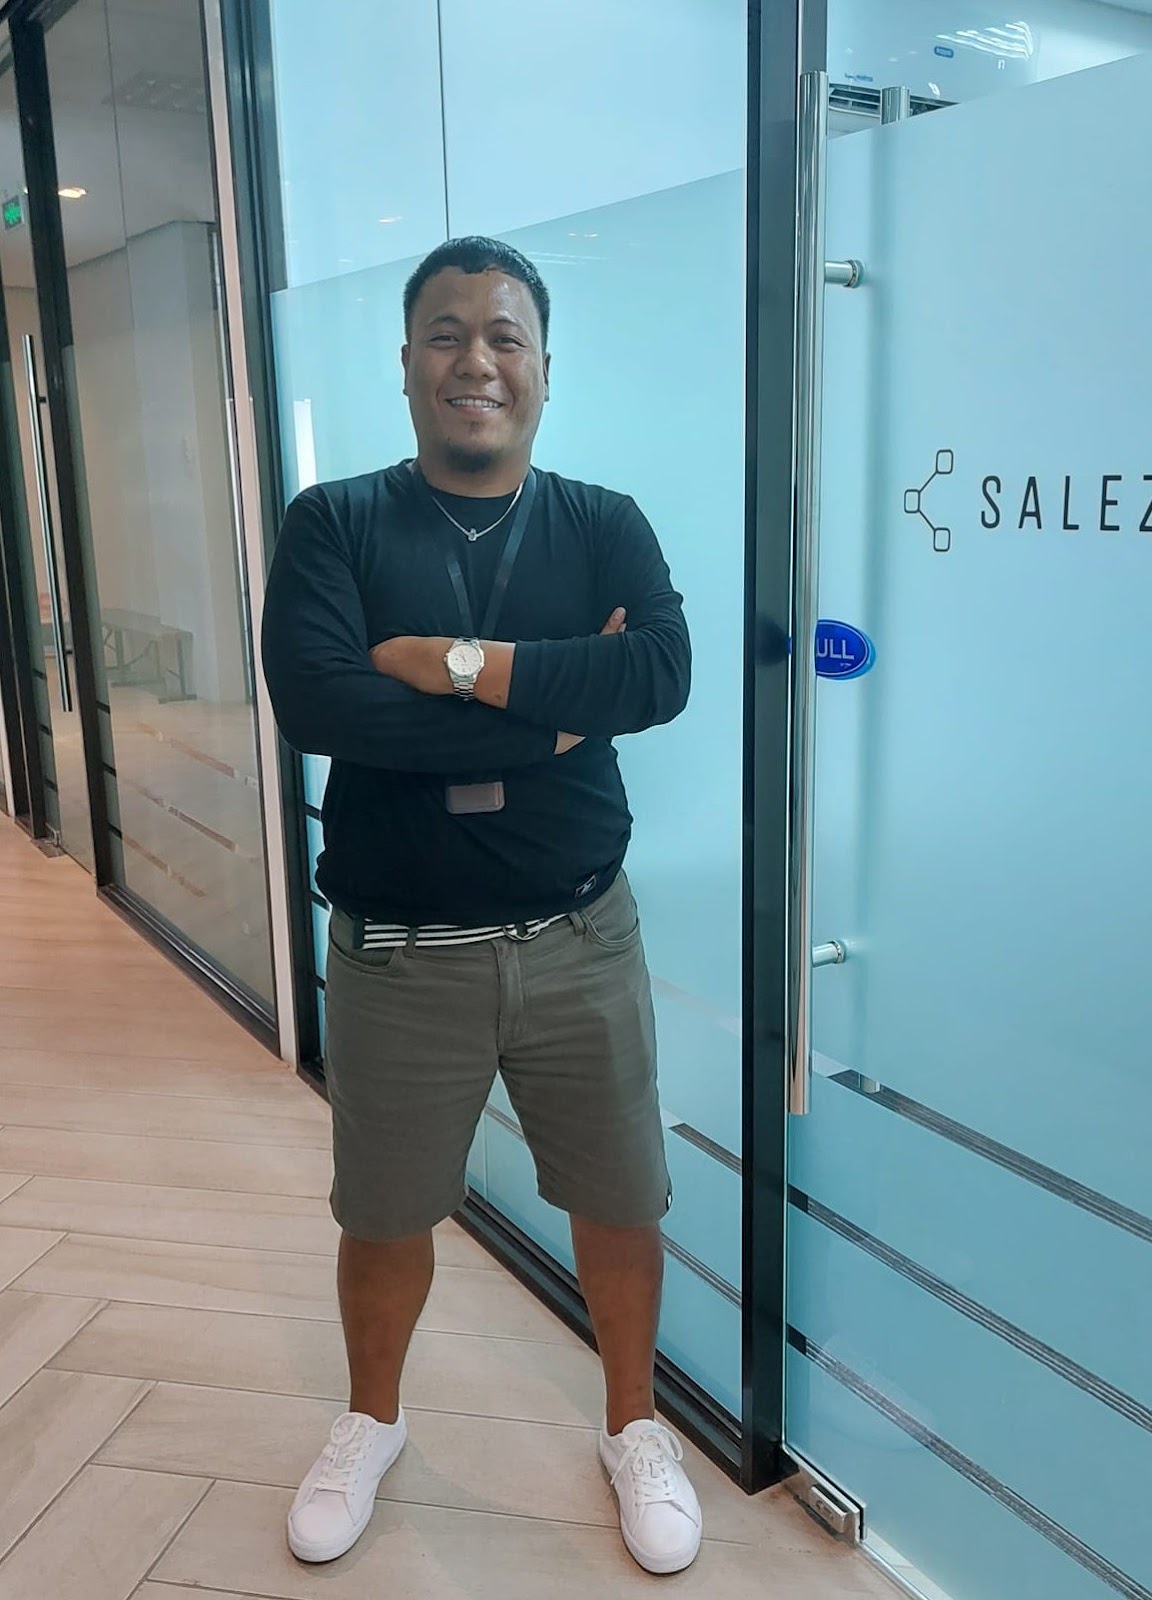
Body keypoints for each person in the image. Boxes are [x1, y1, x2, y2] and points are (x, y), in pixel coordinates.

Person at [260, 236, 698, 1575]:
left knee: (620, 1199)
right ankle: (372, 1420)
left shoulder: (602, 522)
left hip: (580, 934)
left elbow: (663, 675)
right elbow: (327, 707)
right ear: (405, 365)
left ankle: (635, 1428)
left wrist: (450, 666)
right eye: (446, 333)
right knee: (385, 1212)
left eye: (505, 336)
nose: (476, 360)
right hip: (399, 951)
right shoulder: (333, 523)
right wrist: (557, 711)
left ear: (545, 371)